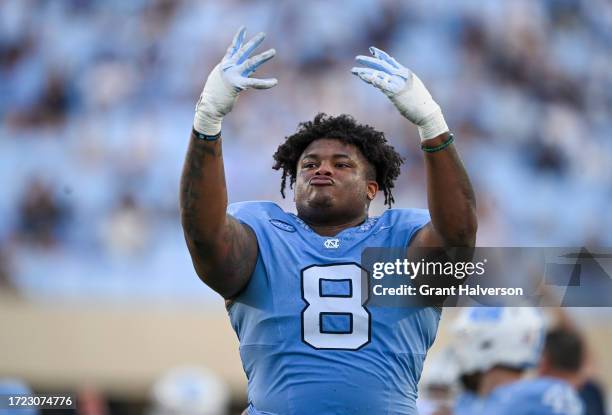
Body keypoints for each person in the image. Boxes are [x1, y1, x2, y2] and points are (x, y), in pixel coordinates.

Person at [180, 26, 477, 415]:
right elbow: (204, 235)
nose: (322, 170)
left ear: (373, 188)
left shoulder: (400, 238)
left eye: (341, 164)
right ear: (294, 180)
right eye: (310, 164)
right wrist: (207, 122)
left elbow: (458, 236)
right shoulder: (264, 233)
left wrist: (432, 126)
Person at [451, 307, 584, 415]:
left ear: (490, 343)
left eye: (467, 338)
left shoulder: (545, 395)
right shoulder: (467, 400)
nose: (457, 349)